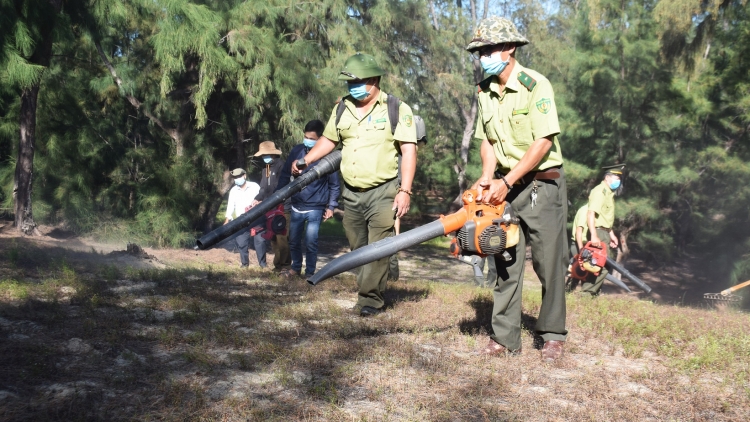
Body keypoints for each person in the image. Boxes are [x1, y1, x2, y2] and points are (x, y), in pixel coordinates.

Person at [467, 16, 568, 361]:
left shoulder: (535, 84)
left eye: (490, 49)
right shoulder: (484, 90)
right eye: (480, 51)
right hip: (504, 187)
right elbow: (488, 140)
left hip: (541, 184)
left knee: (549, 262)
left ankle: (553, 333)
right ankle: (505, 337)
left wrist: (508, 181)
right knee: (505, 259)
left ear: (510, 48)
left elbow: (543, 142)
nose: (484, 56)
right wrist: (487, 175)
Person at [292, 53, 417, 317]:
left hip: (383, 190)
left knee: (379, 247)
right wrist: (307, 160)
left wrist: (405, 190)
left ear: (374, 80)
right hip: (352, 192)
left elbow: (408, 151)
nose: (353, 88)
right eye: (349, 84)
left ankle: (369, 300)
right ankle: (371, 286)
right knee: (358, 248)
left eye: (358, 82)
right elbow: (328, 140)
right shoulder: (342, 108)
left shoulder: (396, 108)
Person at [276, 120, 341, 277]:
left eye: (312, 138)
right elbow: (285, 174)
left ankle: (310, 272)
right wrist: (279, 195)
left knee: (311, 242)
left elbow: (334, 185)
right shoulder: (297, 151)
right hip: (296, 205)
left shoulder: (327, 157)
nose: (308, 140)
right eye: (306, 137)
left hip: (315, 208)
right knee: (294, 240)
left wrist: (331, 206)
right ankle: (296, 268)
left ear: (320, 139)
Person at [580, 164, 624, 296]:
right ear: (607, 177)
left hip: (604, 232)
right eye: (616, 177)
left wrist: (612, 234)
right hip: (598, 232)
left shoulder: (608, 193)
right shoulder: (600, 191)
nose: (618, 180)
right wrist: (594, 235)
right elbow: (591, 213)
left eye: (619, 178)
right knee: (598, 265)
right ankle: (587, 294)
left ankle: (593, 293)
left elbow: (604, 217)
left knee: (601, 265)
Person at [251, 141, 289, 269]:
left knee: (282, 237)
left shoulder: (282, 166)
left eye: (265, 155)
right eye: (262, 156)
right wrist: (258, 199)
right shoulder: (265, 169)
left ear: (272, 154)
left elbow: (281, 187)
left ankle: (285, 266)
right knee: (273, 237)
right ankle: (277, 266)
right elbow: (263, 188)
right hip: (269, 207)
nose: (264, 158)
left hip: (282, 207)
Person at [224, 168, 261, 268]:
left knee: (260, 242)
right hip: (241, 221)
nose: (237, 179)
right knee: (241, 243)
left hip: (256, 218)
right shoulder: (233, 191)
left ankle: (263, 265)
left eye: (239, 176)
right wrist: (227, 220)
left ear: (244, 176)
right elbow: (230, 206)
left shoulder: (254, 186)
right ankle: (244, 265)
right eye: (235, 178)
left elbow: (262, 199)